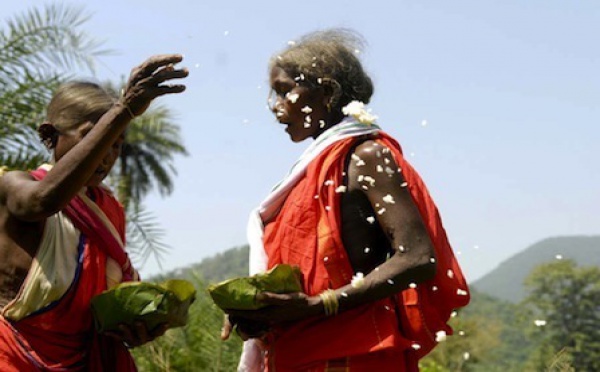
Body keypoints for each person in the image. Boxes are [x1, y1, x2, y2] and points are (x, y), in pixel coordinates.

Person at [221, 29, 470, 371]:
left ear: (326, 92)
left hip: (355, 353)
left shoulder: (366, 156)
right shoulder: (305, 175)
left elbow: (418, 258)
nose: (276, 107)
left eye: (284, 91)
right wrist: (259, 312)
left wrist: (317, 305)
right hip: (298, 350)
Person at [0, 54, 188, 371]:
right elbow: (42, 202)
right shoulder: (13, 186)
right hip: (15, 357)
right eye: (94, 136)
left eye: (116, 143)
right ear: (50, 135)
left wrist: (135, 327)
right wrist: (122, 110)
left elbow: (101, 308)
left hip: (90, 360)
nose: (106, 154)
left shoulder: (109, 210)